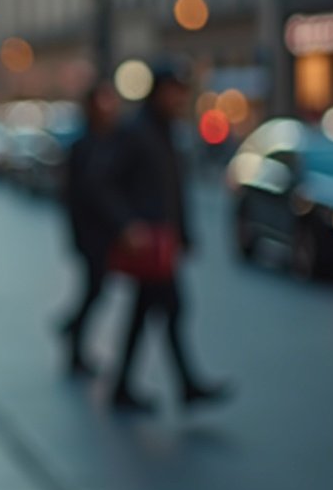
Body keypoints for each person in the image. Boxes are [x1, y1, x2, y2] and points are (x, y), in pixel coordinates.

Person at [93, 59, 231, 413]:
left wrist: (184, 233)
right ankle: (184, 385)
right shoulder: (136, 132)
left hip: (162, 241)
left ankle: (128, 386)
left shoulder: (166, 133)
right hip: (147, 241)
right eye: (173, 92)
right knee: (171, 309)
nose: (178, 100)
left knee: (148, 314)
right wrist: (126, 224)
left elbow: (173, 189)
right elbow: (103, 182)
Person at [58, 82, 122, 377]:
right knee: (94, 289)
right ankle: (72, 334)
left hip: (102, 234)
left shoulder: (108, 143)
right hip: (91, 234)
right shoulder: (85, 146)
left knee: (94, 290)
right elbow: (80, 193)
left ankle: (70, 329)